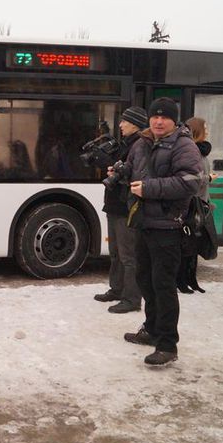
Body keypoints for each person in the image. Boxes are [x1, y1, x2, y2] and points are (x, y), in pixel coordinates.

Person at [120, 98, 202, 366]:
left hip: (168, 225)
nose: (158, 121)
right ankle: (152, 329)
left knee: (164, 285)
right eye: (155, 116)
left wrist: (149, 188)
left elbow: (190, 182)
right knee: (145, 279)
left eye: (164, 117)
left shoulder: (183, 145)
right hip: (144, 222)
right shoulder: (143, 143)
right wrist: (120, 172)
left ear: (174, 120)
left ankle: (168, 344)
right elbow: (134, 171)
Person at [93, 106, 146, 313]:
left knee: (128, 255)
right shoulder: (127, 144)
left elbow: (138, 174)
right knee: (115, 253)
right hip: (115, 204)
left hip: (126, 207)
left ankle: (132, 299)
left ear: (135, 124)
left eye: (125, 121)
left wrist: (120, 172)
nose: (121, 125)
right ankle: (116, 289)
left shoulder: (140, 146)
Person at [176, 117, 216, 294]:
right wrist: (208, 179)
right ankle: (181, 280)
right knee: (187, 244)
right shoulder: (191, 151)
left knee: (195, 242)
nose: (207, 130)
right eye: (205, 127)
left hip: (201, 202)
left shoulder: (202, 150)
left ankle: (191, 279)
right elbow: (188, 178)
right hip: (191, 203)